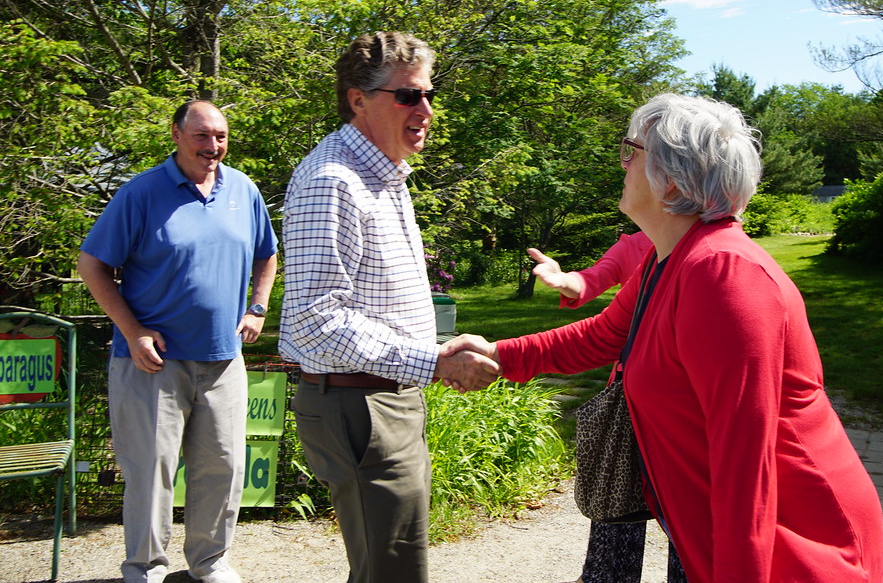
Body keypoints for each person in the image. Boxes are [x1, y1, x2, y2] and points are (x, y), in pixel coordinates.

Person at [443, 93, 883, 582]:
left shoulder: (724, 275)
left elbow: (744, 464)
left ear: (670, 179)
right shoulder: (670, 258)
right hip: (737, 536)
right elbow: (603, 335)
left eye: (630, 150)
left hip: (797, 540)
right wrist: (499, 355)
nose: (623, 162)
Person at [278, 31, 500, 583]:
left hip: (381, 400)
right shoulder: (334, 181)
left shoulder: (383, 174)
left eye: (428, 93)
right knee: (392, 573)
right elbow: (316, 321)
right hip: (360, 405)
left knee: (393, 566)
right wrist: (435, 363)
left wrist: (438, 349)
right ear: (358, 99)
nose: (424, 109)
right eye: (407, 96)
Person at [77, 100, 279, 583]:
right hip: (152, 364)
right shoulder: (142, 193)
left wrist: (257, 307)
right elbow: (92, 265)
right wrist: (132, 329)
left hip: (223, 361)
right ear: (176, 134)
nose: (213, 147)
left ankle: (210, 565)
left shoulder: (243, 190)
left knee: (222, 470)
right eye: (202, 136)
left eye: (221, 137)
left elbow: (267, 255)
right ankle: (144, 568)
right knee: (150, 474)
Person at [530, 236, 685, 583]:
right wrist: (564, 280)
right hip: (628, 398)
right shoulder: (633, 245)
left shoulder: (704, 247)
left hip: (685, 408)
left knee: (687, 517)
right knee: (615, 502)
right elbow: (591, 279)